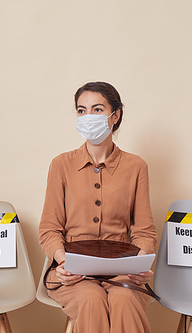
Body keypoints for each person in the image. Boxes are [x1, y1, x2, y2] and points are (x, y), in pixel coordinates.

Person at [39, 81, 158, 333]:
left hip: (123, 269)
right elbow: (49, 230)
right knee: (92, 300)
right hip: (71, 271)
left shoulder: (136, 167)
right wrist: (63, 263)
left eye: (97, 109)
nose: (87, 117)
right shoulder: (61, 165)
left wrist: (140, 265)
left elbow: (144, 232)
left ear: (114, 116)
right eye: (81, 111)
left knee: (124, 300)